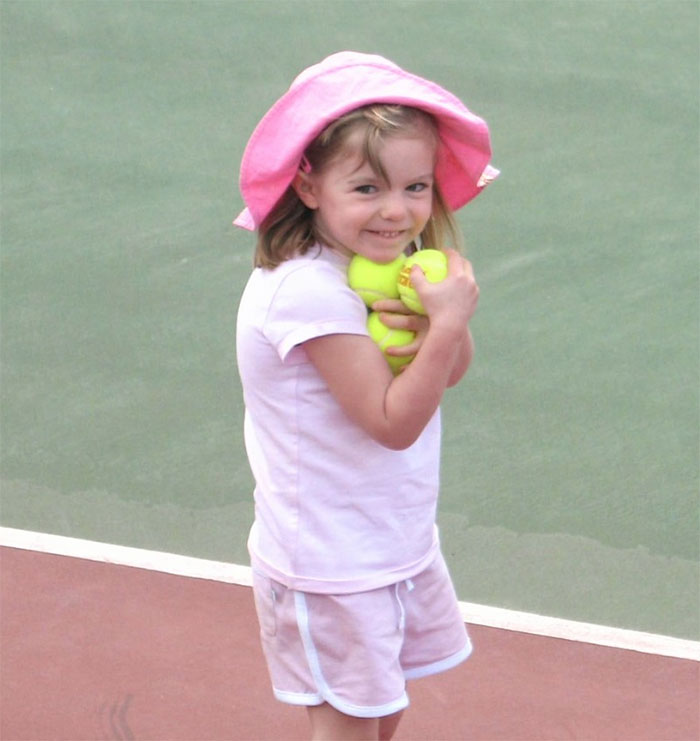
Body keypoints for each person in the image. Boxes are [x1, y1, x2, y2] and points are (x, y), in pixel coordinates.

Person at [234, 51, 497, 741]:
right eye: (367, 189)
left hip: (387, 541)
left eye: (415, 187)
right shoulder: (308, 292)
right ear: (309, 184)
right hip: (329, 559)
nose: (397, 210)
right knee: (350, 722)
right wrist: (445, 326)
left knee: (384, 710)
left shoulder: (380, 265)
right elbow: (392, 421)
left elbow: (448, 373)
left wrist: (445, 327)